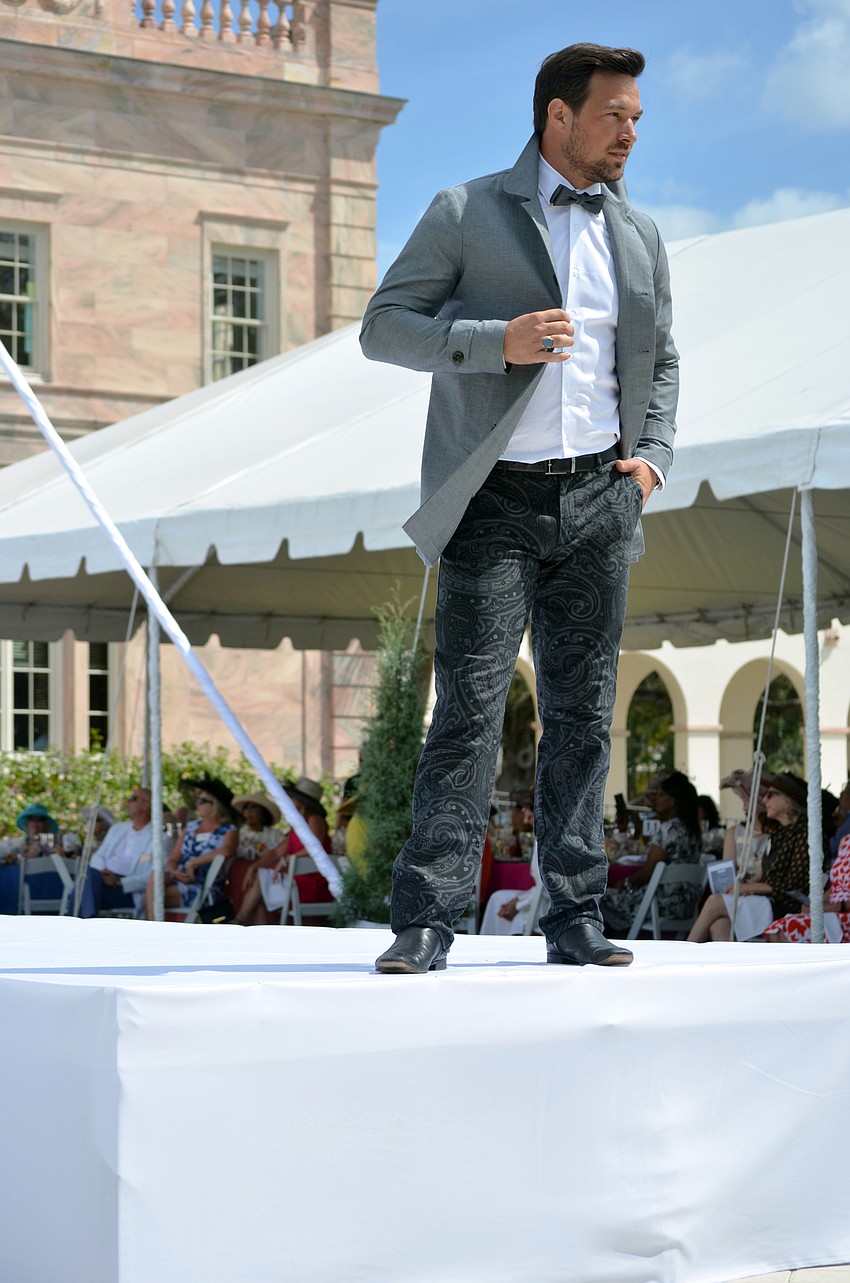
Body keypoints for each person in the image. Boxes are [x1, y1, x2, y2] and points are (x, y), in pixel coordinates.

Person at [360, 42, 677, 974]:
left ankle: (575, 915)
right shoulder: (465, 211)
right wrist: (496, 340)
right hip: (493, 499)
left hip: (599, 497)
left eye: (636, 118)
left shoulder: (642, 233)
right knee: (468, 709)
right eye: (615, 115)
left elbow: (660, 360)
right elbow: (384, 328)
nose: (630, 131)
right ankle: (427, 917)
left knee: (583, 716)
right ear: (558, 116)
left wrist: (652, 457)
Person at [687, 772, 819, 943]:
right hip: (767, 901)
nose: (765, 800)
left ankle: (683, 952)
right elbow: (766, 873)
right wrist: (747, 887)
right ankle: (728, 968)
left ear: (787, 801)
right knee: (719, 924)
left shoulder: (804, 833)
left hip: (785, 905)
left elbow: (791, 885)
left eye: (770, 795)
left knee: (714, 902)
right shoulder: (781, 833)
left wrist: (746, 888)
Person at [602, 772, 702, 935]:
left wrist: (626, 882)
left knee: (599, 897)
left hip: (662, 902)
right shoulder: (692, 830)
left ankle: (610, 943)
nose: (656, 799)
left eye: (661, 794)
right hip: (686, 903)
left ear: (672, 800)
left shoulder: (667, 829)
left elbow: (649, 870)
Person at [234, 777, 333, 926]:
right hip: (297, 881)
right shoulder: (298, 825)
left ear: (302, 801)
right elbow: (276, 853)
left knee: (260, 883)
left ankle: (240, 920)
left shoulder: (314, 819)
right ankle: (259, 932)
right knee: (259, 890)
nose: (289, 801)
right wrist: (254, 867)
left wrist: (288, 859)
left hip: (311, 884)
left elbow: (315, 846)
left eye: (292, 798)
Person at [145, 778, 238, 919]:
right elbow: (174, 858)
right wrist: (175, 872)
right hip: (180, 876)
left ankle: (152, 925)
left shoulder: (228, 830)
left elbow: (226, 851)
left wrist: (194, 862)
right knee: (154, 876)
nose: (197, 804)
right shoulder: (191, 826)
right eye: (197, 800)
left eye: (202, 801)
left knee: (151, 895)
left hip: (203, 885)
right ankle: (152, 924)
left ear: (215, 805)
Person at [77, 789, 154, 918]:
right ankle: (87, 919)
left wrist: (119, 882)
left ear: (146, 805)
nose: (128, 801)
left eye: (133, 798)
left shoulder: (158, 837)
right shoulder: (118, 828)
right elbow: (98, 857)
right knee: (89, 876)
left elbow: (154, 876)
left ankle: (82, 921)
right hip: (102, 879)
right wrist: (104, 872)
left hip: (126, 889)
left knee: (81, 889)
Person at [226, 792, 285, 915]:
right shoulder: (239, 835)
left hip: (269, 875)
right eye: (246, 808)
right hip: (242, 875)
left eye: (253, 808)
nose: (248, 812)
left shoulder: (275, 835)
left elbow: (279, 853)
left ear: (263, 813)